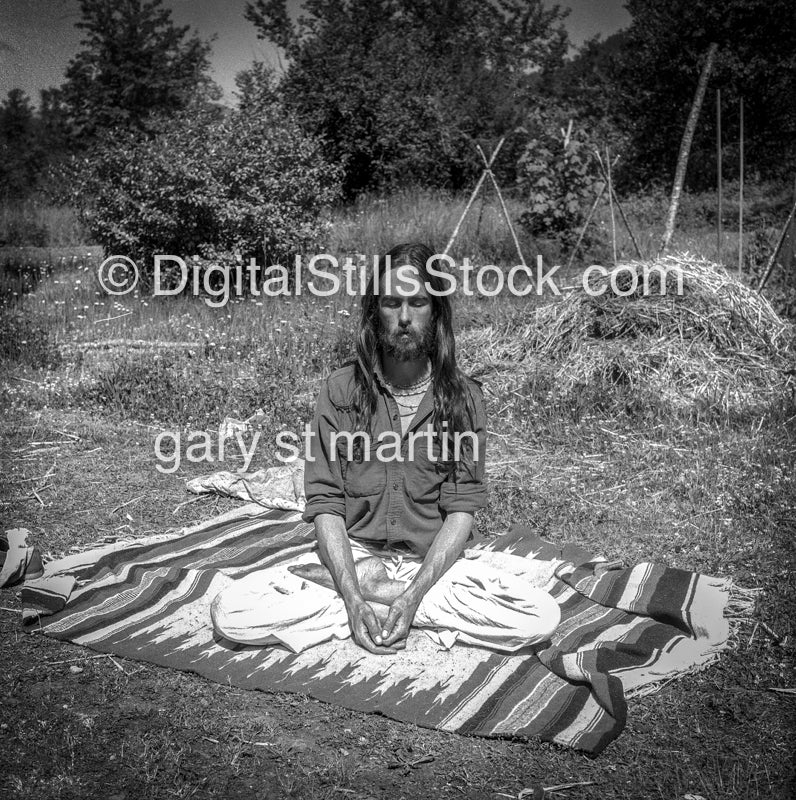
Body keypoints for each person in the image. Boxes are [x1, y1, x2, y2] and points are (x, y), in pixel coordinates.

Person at [210, 243, 560, 655]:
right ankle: (364, 598)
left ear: (437, 312)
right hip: (354, 554)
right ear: (375, 311)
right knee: (233, 613)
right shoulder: (341, 391)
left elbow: (462, 508)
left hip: (432, 563)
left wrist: (413, 593)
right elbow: (325, 502)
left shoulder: (463, 398)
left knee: (539, 618)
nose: (406, 318)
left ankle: (385, 596)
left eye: (418, 303)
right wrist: (352, 590)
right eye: (392, 303)